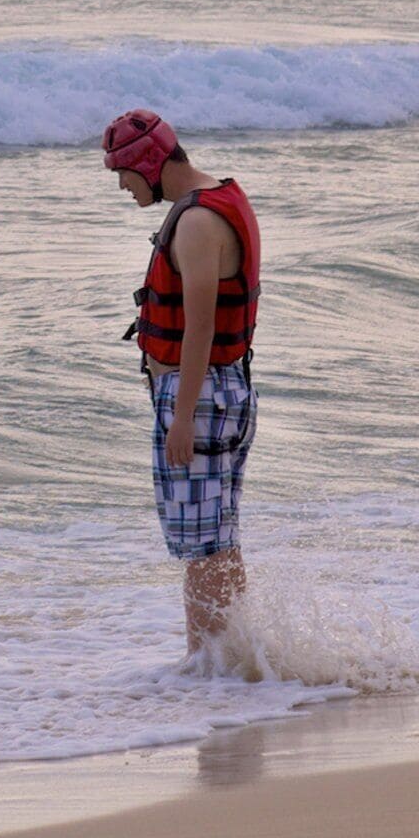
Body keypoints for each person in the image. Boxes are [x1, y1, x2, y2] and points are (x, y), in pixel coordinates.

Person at [103, 108, 261, 667]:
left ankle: (210, 665)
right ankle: (229, 660)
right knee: (217, 539)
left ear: (149, 163)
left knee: (202, 546)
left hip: (202, 397)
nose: (122, 186)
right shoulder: (224, 196)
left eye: (124, 173)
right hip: (228, 391)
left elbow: (201, 326)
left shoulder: (195, 223)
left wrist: (182, 414)